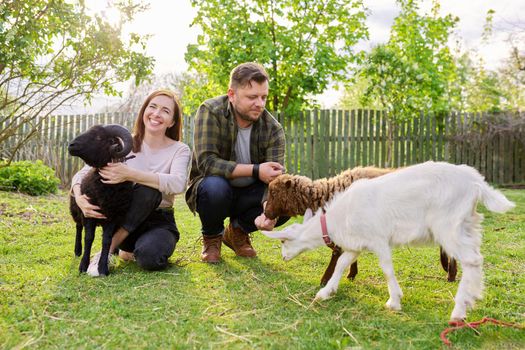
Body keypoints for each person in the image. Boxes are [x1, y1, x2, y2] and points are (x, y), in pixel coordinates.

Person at [71, 89, 191, 275]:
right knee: (144, 192)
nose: (157, 114)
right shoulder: (122, 144)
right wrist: (78, 196)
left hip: (158, 220)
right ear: (144, 111)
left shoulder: (179, 149)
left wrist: (130, 174)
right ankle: (108, 251)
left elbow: (178, 184)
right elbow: (85, 172)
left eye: (165, 111)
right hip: (123, 216)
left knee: (150, 257)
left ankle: (128, 248)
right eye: (152, 107)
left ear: (172, 121)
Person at [185, 62, 288, 263]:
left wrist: (269, 209)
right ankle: (212, 237)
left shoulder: (273, 129)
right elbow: (207, 163)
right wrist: (256, 170)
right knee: (215, 186)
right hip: (213, 189)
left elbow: (276, 178)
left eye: (263, 97)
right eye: (252, 97)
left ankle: (237, 231)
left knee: (285, 198)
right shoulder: (210, 111)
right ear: (232, 95)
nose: (260, 103)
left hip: (249, 194)